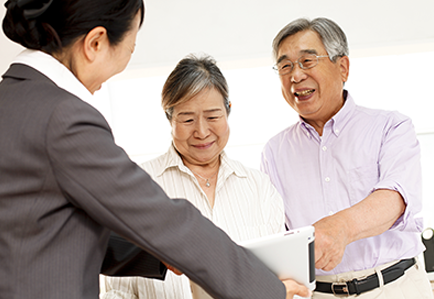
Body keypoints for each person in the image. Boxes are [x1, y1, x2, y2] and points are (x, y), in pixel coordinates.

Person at [0, 0, 311, 298]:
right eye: (130, 48)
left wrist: (162, 256)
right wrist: (266, 290)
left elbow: (51, 229)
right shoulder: (62, 117)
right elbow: (170, 223)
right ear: (95, 43)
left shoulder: (13, 100)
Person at [261, 17, 433, 299]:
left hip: (394, 287)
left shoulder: (391, 127)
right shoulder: (274, 151)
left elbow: (396, 199)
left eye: (307, 61)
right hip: (318, 293)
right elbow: (274, 231)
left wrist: (339, 228)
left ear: (343, 67)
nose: (295, 76)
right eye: (285, 66)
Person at [100, 54, 288, 299]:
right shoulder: (135, 186)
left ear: (228, 111)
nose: (201, 131)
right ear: (170, 118)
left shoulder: (260, 187)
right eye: (188, 119)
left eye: (212, 117)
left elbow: (279, 277)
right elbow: (116, 292)